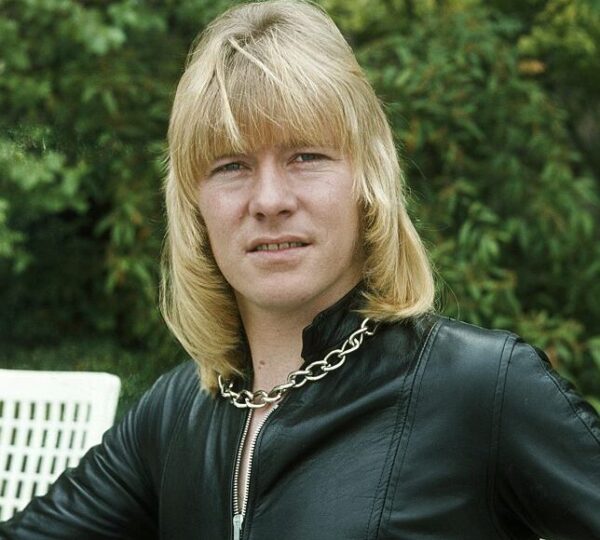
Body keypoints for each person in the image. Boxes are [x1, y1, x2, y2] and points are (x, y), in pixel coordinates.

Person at [1, 1, 599, 538]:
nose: (269, 200)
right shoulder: (175, 411)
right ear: (195, 205)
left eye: (306, 157)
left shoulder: (483, 387)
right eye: (231, 166)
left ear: (367, 182)